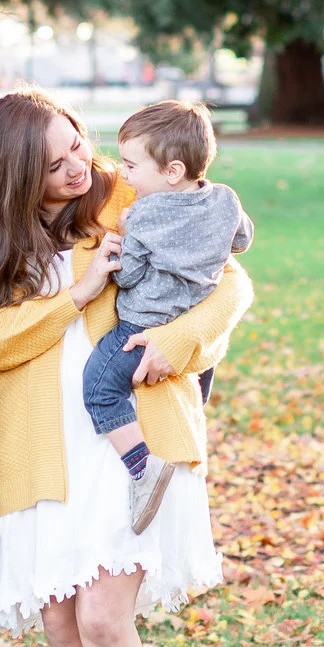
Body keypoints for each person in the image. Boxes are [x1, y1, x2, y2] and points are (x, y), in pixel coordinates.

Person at [0, 90, 250, 647]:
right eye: (53, 157)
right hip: (43, 447)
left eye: (78, 144)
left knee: (102, 615)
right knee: (63, 623)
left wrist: (182, 341)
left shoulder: (129, 195)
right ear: (15, 169)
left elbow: (232, 284)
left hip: (130, 442)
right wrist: (79, 294)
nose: (76, 164)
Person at [82, 100, 251, 532]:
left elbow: (131, 274)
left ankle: (142, 467)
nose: (124, 174)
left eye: (132, 165)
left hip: (142, 326)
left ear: (172, 171)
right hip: (195, 331)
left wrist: (123, 230)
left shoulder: (142, 214)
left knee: (100, 390)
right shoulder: (226, 199)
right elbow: (242, 240)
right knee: (195, 389)